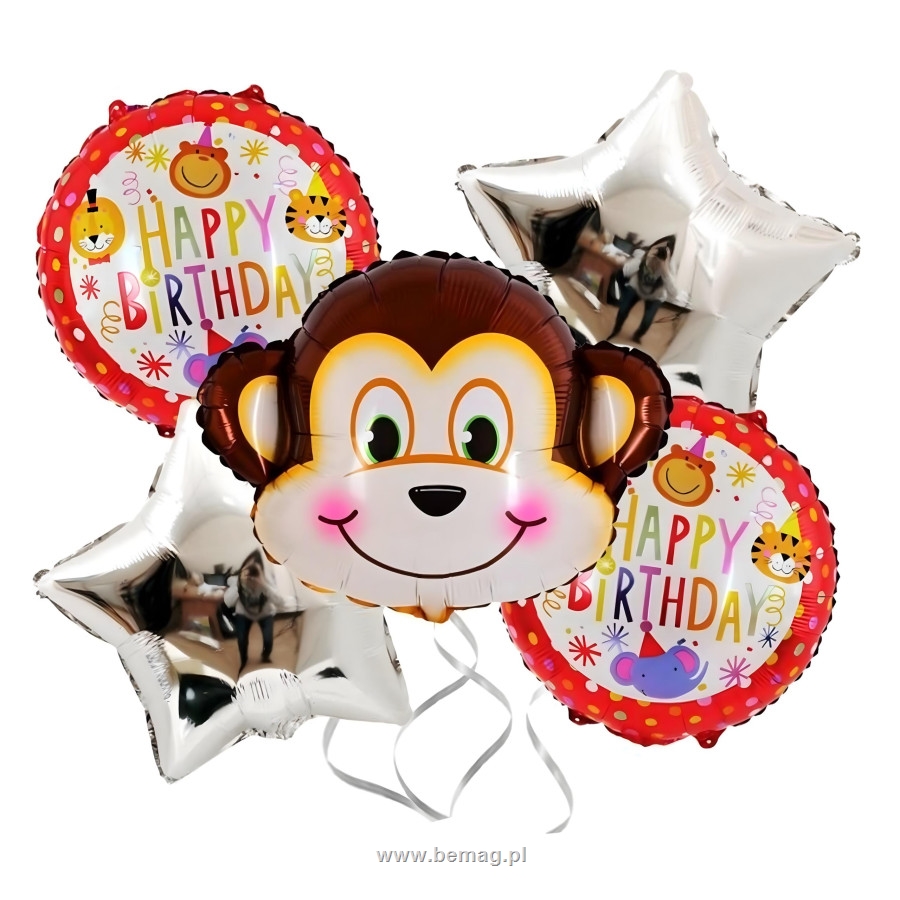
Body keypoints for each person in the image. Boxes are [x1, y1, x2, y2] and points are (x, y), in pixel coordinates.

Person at [607, 234, 682, 342]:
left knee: (647, 321)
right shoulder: (643, 254)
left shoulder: (669, 266)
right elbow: (625, 271)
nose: (660, 252)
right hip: (636, 288)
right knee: (622, 310)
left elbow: (674, 294)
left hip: (655, 296)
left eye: (664, 251)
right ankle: (616, 329)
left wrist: (665, 270)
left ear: (670, 254)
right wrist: (645, 259)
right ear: (653, 245)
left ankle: (637, 335)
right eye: (659, 248)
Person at [223, 550, 280, 671]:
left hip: (265, 613)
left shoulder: (265, 580)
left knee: (268, 639)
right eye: (248, 569)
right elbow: (228, 603)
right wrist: (240, 584)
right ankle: (243, 659)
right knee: (242, 639)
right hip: (243, 613)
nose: (251, 574)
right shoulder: (237, 580)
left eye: (254, 571)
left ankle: (265, 655)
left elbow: (279, 601)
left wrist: (263, 584)